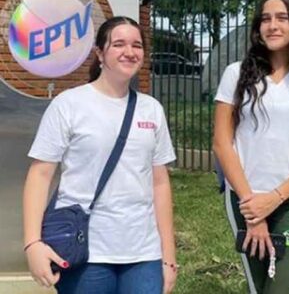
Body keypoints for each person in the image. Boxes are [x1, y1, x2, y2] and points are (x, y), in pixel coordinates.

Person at [23, 16, 177, 294]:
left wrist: (168, 257)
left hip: (143, 252)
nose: (129, 52)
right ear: (100, 53)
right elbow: (40, 174)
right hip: (85, 251)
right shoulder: (69, 104)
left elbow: (160, 182)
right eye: (118, 44)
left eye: (137, 45)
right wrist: (33, 243)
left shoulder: (151, 109)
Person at [213, 0, 289, 294]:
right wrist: (253, 208)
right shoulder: (236, 74)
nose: (272, 25)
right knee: (260, 288)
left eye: (282, 18)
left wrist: (276, 197)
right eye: (265, 19)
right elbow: (222, 143)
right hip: (244, 199)